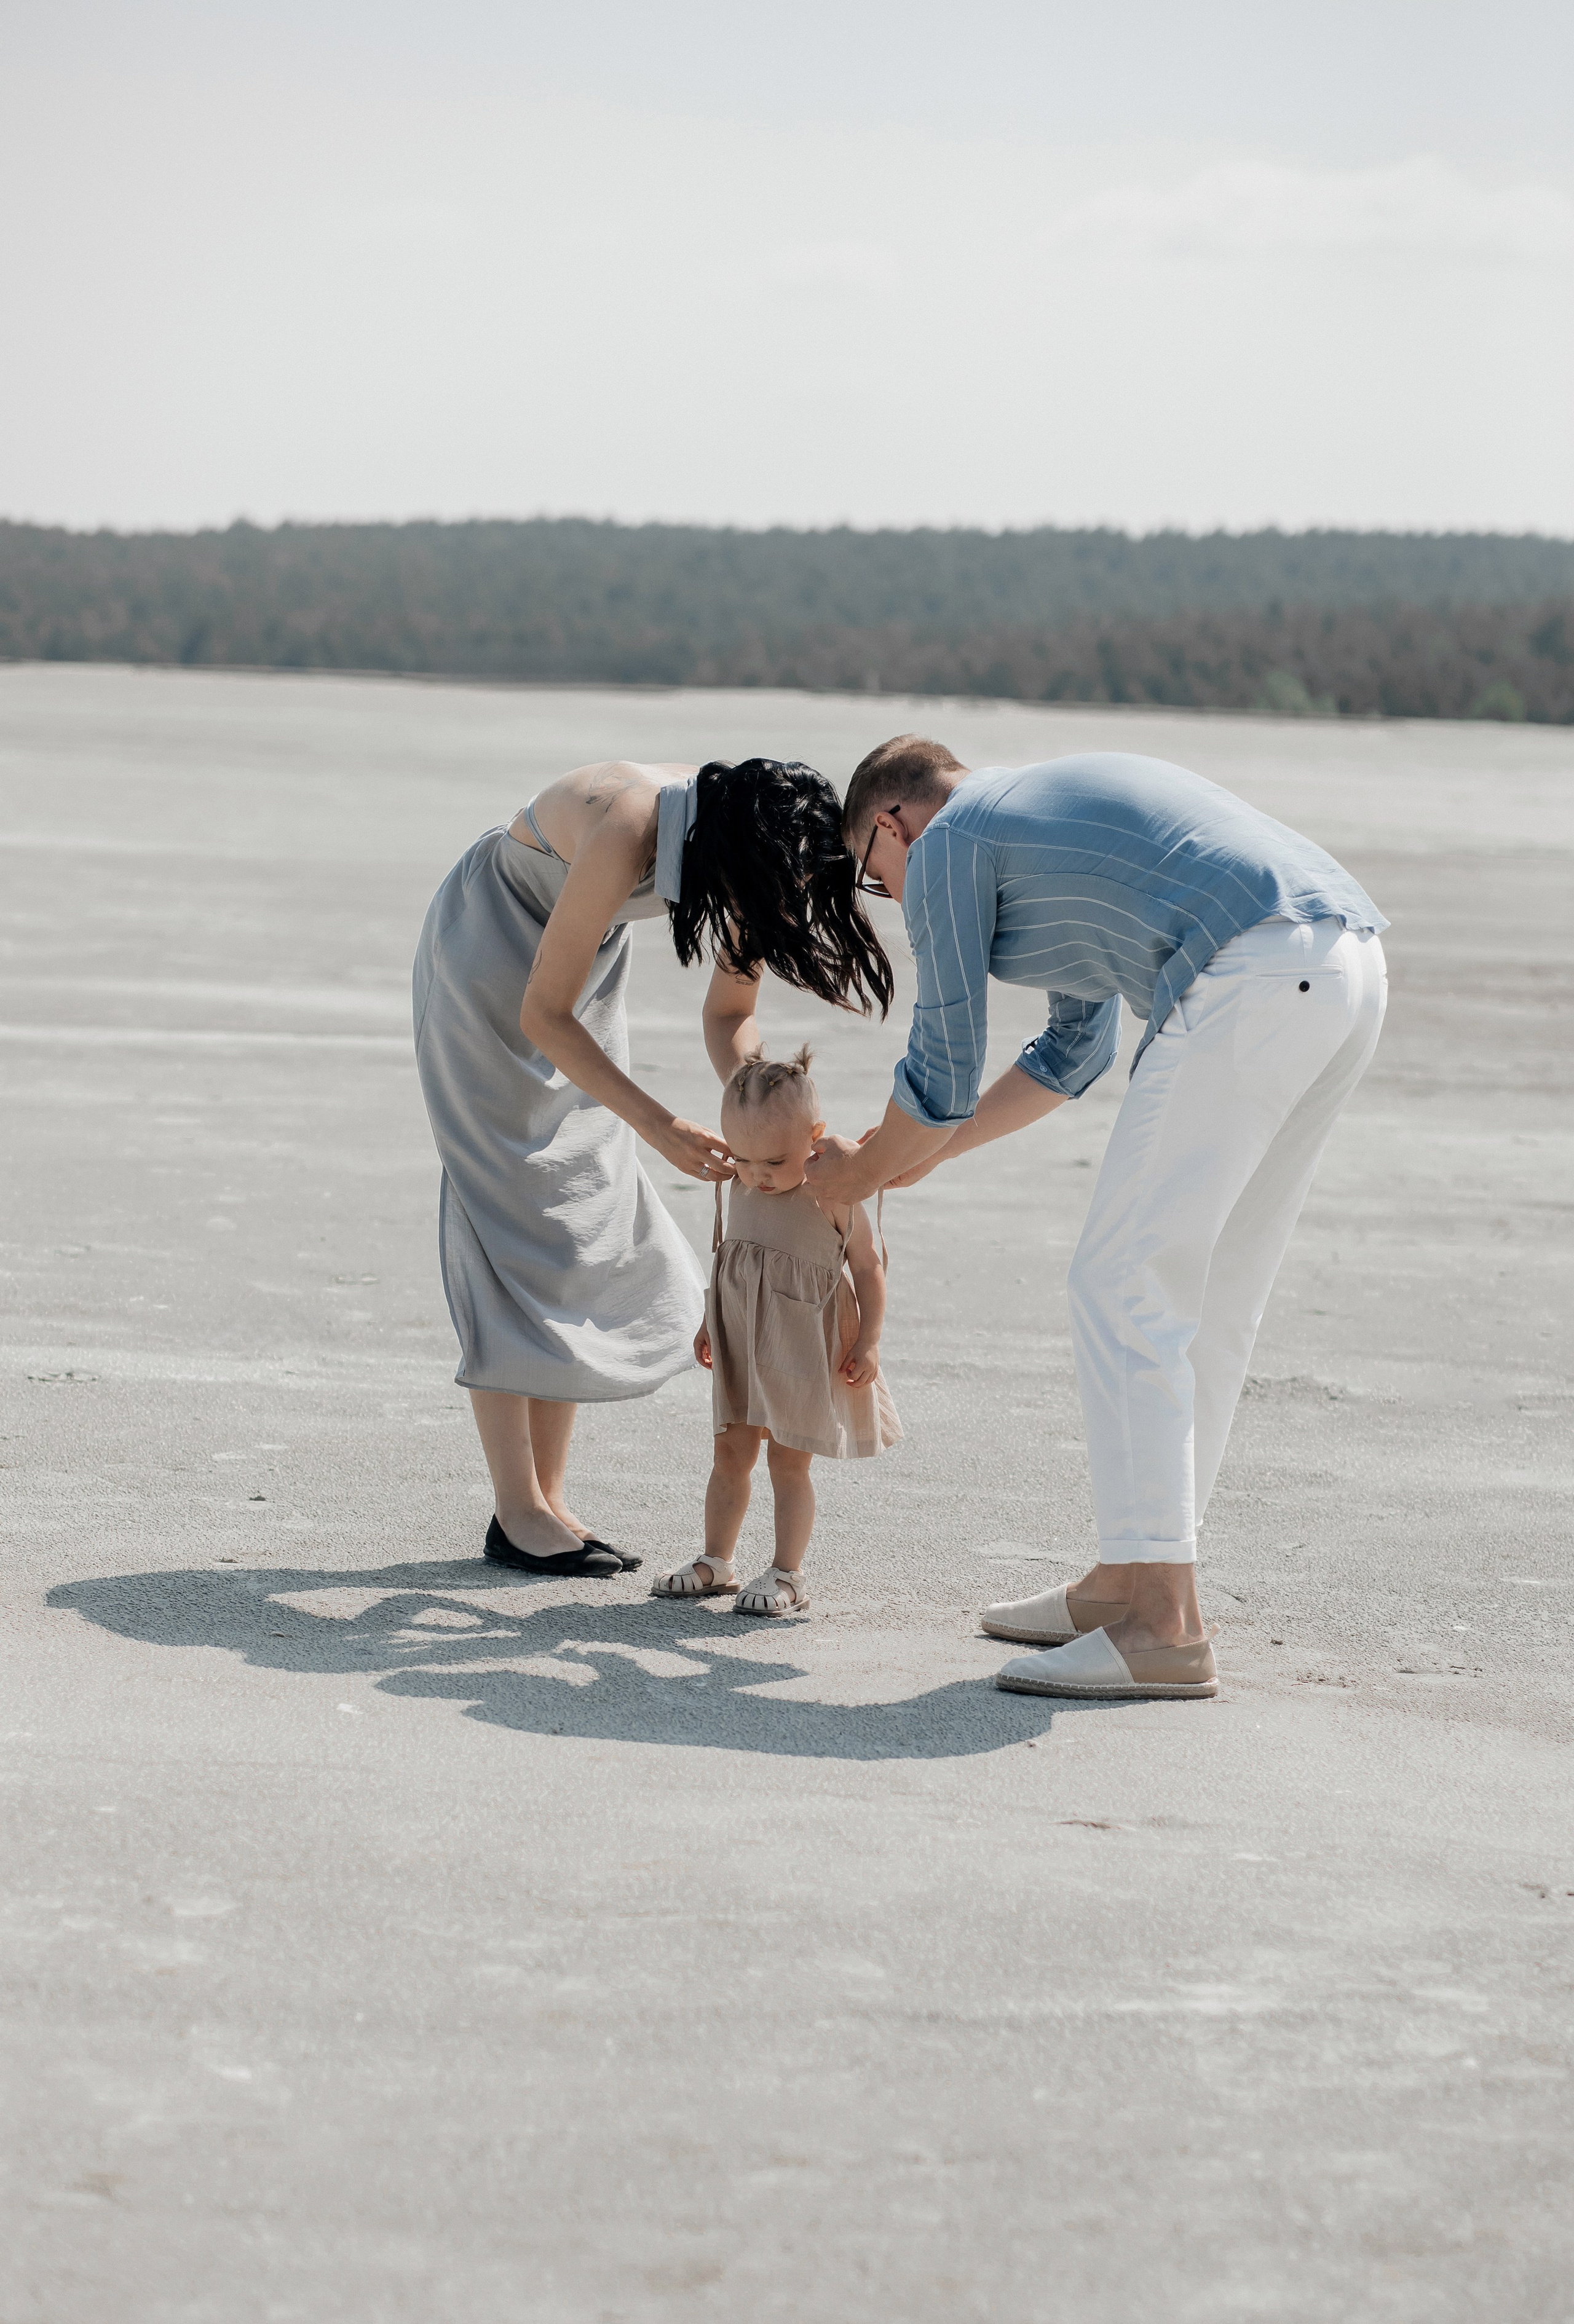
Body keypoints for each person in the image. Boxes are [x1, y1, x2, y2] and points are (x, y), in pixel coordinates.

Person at [807, 735, 1388, 1701]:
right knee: (1203, 1293)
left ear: (890, 824)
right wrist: (917, 1155)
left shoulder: (951, 843)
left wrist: (860, 1171)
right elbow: (1072, 1052)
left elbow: (944, 1065)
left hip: (1254, 970)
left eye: (878, 879)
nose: (896, 901)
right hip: (1343, 966)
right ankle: (1132, 1577)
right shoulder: (1030, 826)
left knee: (1120, 1283)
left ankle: (1163, 1621)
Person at [413, 757, 893, 1578]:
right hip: (492, 956)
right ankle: (517, 1506)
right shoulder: (631, 822)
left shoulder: (747, 847)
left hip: (579, 963)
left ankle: (552, 1497)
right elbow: (540, 1012)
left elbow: (729, 1015)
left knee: (577, 1203)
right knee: (507, 1208)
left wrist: (767, 1115)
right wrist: (662, 1124)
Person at [651, 1046, 900, 1615]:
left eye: (774, 1163)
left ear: (815, 1136)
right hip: (742, 1338)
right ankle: (716, 1559)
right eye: (745, 1160)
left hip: (802, 1346)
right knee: (729, 1453)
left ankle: (789, 1573)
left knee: (789, 1461)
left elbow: (868, 1267)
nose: (758, 1176)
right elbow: (731, 1261)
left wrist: (870, 1341)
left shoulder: (834, 1190)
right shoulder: (739, 1183)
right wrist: (709, 1323)